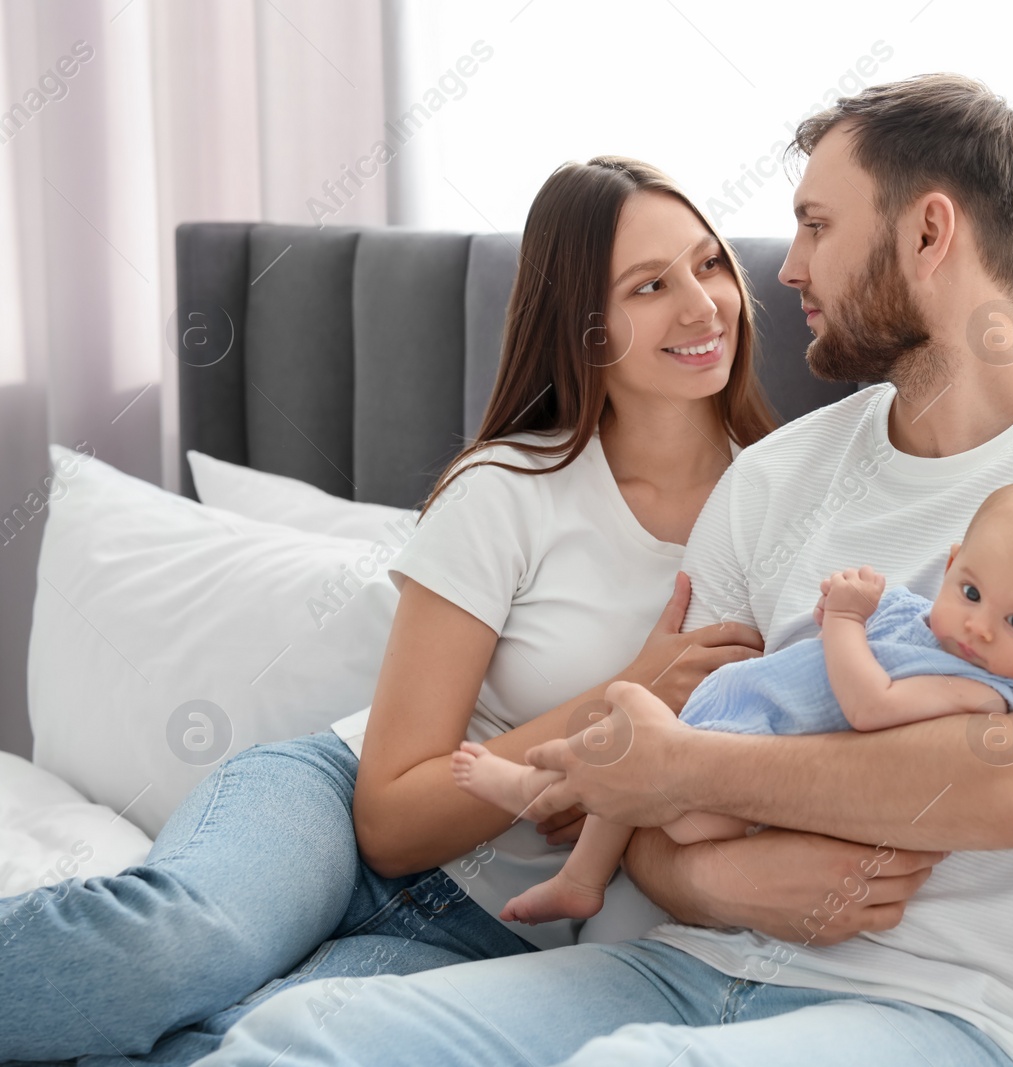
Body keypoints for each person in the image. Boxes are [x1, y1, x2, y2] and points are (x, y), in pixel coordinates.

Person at [198, 72, 1013, 1067]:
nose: (782, 268)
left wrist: (691, 778)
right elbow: (643, 797)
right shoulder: (775, 477)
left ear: (929, 231)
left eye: (817, 225)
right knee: (297, 1040)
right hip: (677, 965)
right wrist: (712, 876)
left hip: (951, 1011)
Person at [3, 155, 938, 1065]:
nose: (702, 306)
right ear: (585, 327)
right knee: (175, 947)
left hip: (495, 932)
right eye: (650, 285)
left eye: (708, 264)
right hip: (333, 815)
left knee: (254, 1041)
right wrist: (623, 698)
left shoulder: (788, 507)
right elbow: (390, 816)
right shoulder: (509, 488)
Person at [453, 480, 1013, 927]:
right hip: (735, 717)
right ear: (950, 568)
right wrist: (835, 605)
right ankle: (582, 876)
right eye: (971, 593)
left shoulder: (978, 690)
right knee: (631, 759)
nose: (979, 628)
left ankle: (532, 786)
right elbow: (813, 644)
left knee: (631, 738)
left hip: (742, 773)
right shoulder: (920, 616)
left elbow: (869, 704)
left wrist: (845, 623)